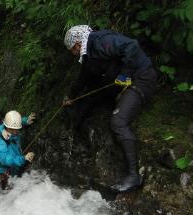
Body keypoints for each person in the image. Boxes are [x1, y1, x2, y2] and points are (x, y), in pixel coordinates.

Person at [63, 25, 157, 193]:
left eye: (71, 49)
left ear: (77, 44)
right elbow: (84, 77)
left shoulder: (99, 42)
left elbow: (131, 46)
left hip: (141, 79)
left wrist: (124, 75)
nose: (72, 53)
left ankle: (134, 177)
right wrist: (71, 96)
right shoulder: (89, 54)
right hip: (123, 83)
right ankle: (77, 129)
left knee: (118, 121)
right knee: (93, 97)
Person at [0, 110, 36, 209]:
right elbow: (5, 159)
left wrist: (25, 121)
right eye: (13, 129)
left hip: (9, 171)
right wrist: (23, 158)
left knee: (8, 199)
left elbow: (15, 123)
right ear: (6, 127)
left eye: (17, 129)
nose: (16, 132)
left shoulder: (11, 132)